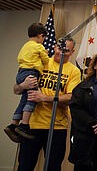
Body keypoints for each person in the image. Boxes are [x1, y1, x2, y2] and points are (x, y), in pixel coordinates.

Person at [16, 38, 82, 171]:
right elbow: (16, 90)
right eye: (59, 48)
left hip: (57, 127)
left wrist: (44, 97)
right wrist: (23, 85)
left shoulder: (74, 71)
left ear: (72, 52)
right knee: (24, 165)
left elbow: (70, 98)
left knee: (53, 166)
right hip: (31, 125)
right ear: (54, 47)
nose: (61, 53)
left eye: (66, 51)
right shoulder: (40, 63)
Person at [5, 22, 50, 142]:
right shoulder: (38, 46)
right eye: (44, 38)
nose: (44, 40)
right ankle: (24, 126)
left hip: (21, 73)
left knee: (24, 100)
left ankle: (13, 125)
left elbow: (19, 58)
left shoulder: (25, 46)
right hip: (31, 73)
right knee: (32, 98)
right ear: (40, 36)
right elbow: (46, 60)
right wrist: (45, 55)